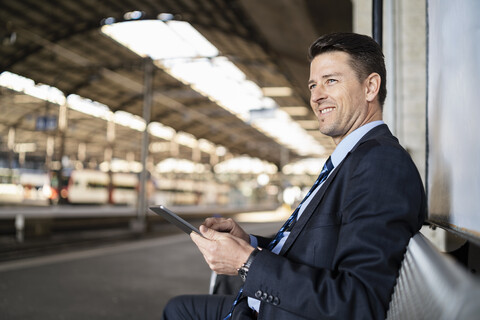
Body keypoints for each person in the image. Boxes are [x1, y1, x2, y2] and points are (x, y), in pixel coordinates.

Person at [162, 32, 426, 320]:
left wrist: (246, 263)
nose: (316, 95)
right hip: (273, 306)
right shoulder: (353, 160)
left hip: (284, 313)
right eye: (313, 84)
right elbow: (312, 247)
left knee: (180, 311)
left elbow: (358, 302)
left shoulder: (380, 164)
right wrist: (248, 243)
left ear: (370, 87)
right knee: (179, 308)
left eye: (331, 80)